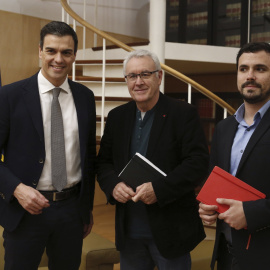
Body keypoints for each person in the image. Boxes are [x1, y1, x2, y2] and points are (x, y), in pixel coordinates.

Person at [97, 49, 209, 270]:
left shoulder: (183, 113)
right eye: (132, 76)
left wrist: (159, 189)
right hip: (129, 231)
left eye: (145, 74)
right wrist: (113, 186)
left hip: (171, 229)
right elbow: (103, 163)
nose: (138, 82)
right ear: (126, 81)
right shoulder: (117, 117)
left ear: (159, 77)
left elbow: (197, 162)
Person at [0, 21, 96, 270]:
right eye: (51, 50)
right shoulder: (9, 96)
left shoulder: (85, 97)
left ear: (74, 55)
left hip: (71, 211)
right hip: (25, 211)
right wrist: (18, 189)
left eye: (66, 52)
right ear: (40, 51)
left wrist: (85, 210)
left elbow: (89, 157)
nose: (58, 59)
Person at [199, 42, 270, 270]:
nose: (250, 76)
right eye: (243, 69)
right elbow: (214, 181)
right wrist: (206, 207)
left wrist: (252, 213)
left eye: (260, 69)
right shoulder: (223, 128)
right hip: (226, 255)